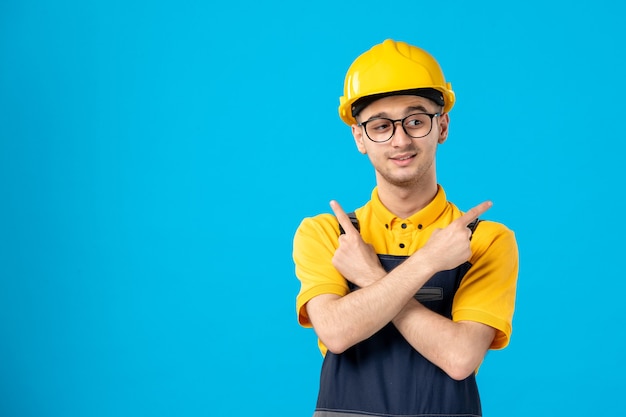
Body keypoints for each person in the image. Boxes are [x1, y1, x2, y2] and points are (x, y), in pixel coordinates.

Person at [293, 39, 519, 417]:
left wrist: (369, 276)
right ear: (360, 138)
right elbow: (335, 332)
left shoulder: (486, 240)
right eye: (380, 126)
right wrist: (429, 260)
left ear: (442, 126)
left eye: (415, 121)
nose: (400, 140)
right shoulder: (326, 234)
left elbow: (460, 357)